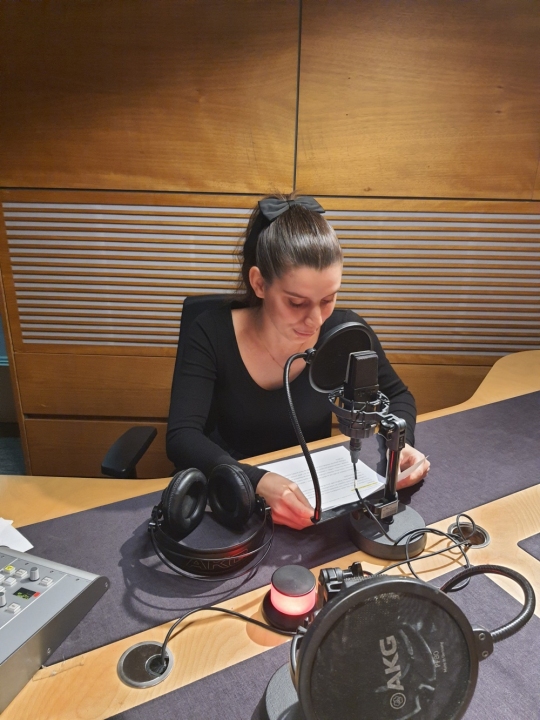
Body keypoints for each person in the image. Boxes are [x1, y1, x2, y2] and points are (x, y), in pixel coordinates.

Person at [166, 194, 430, 530]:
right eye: (296, 303)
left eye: (328, 299)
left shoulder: (345, 332)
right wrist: (255, 480)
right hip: (232, 502)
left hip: (314, 502)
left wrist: (401, 444)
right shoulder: (212, 332)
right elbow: (182, 436)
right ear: (259, 283)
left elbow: (398, 396)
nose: (316, 320)